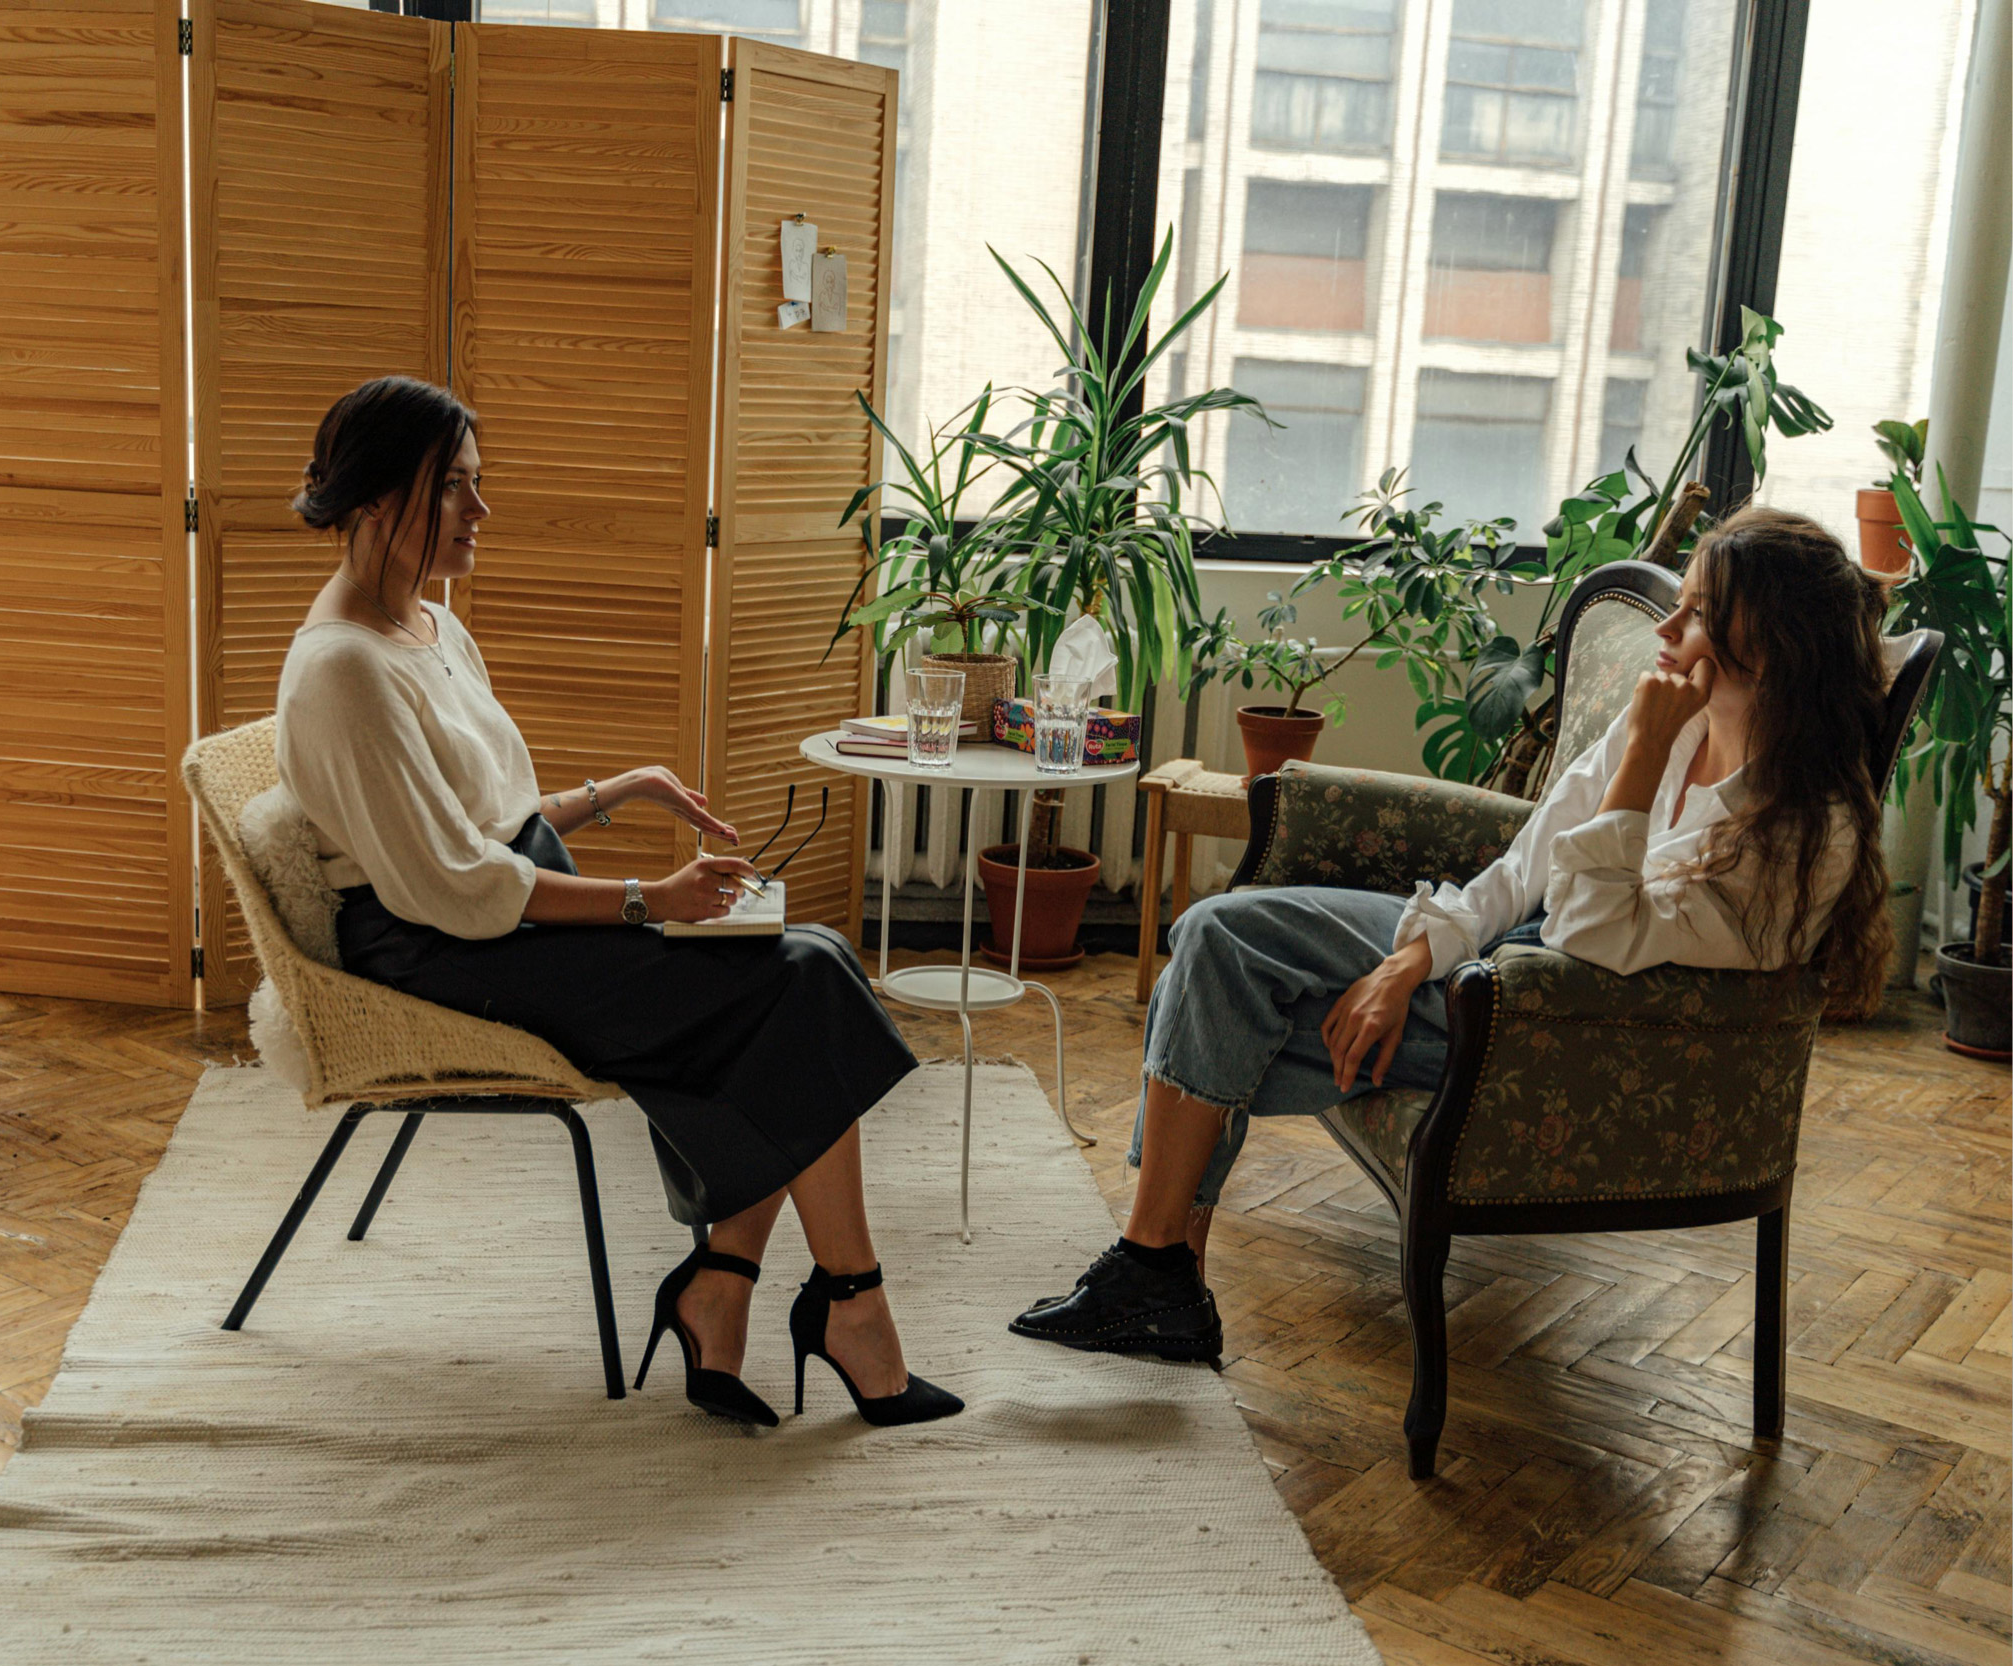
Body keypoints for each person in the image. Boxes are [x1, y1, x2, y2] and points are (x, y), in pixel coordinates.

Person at [1012, 508, 1893, 1362]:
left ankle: (1158, 1275)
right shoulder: (1679, 720)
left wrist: (1638, 760)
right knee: (1214, 942)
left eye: (1696, 612)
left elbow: (1588, 934)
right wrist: (1409, 961)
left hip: (1567, 1030)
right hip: (1500, 967)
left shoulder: (1798, 833)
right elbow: (1527, 864)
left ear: (1770, 649)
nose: (1665, 627)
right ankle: (1163, 1272)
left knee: (1212, 988)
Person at [274, 375, 961, 1430]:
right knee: (800, 983)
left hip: (495, 910)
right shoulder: (342, 669)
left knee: (808, 958)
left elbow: (482, 820)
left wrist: (619, 790)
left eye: (476, 482)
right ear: (373, 497)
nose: (480, 509)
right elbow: (451, 883)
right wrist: (650, 898)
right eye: (453, 487)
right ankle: (839, 1309)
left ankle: (728, 1290)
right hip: (441, 949)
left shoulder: (429, 626)